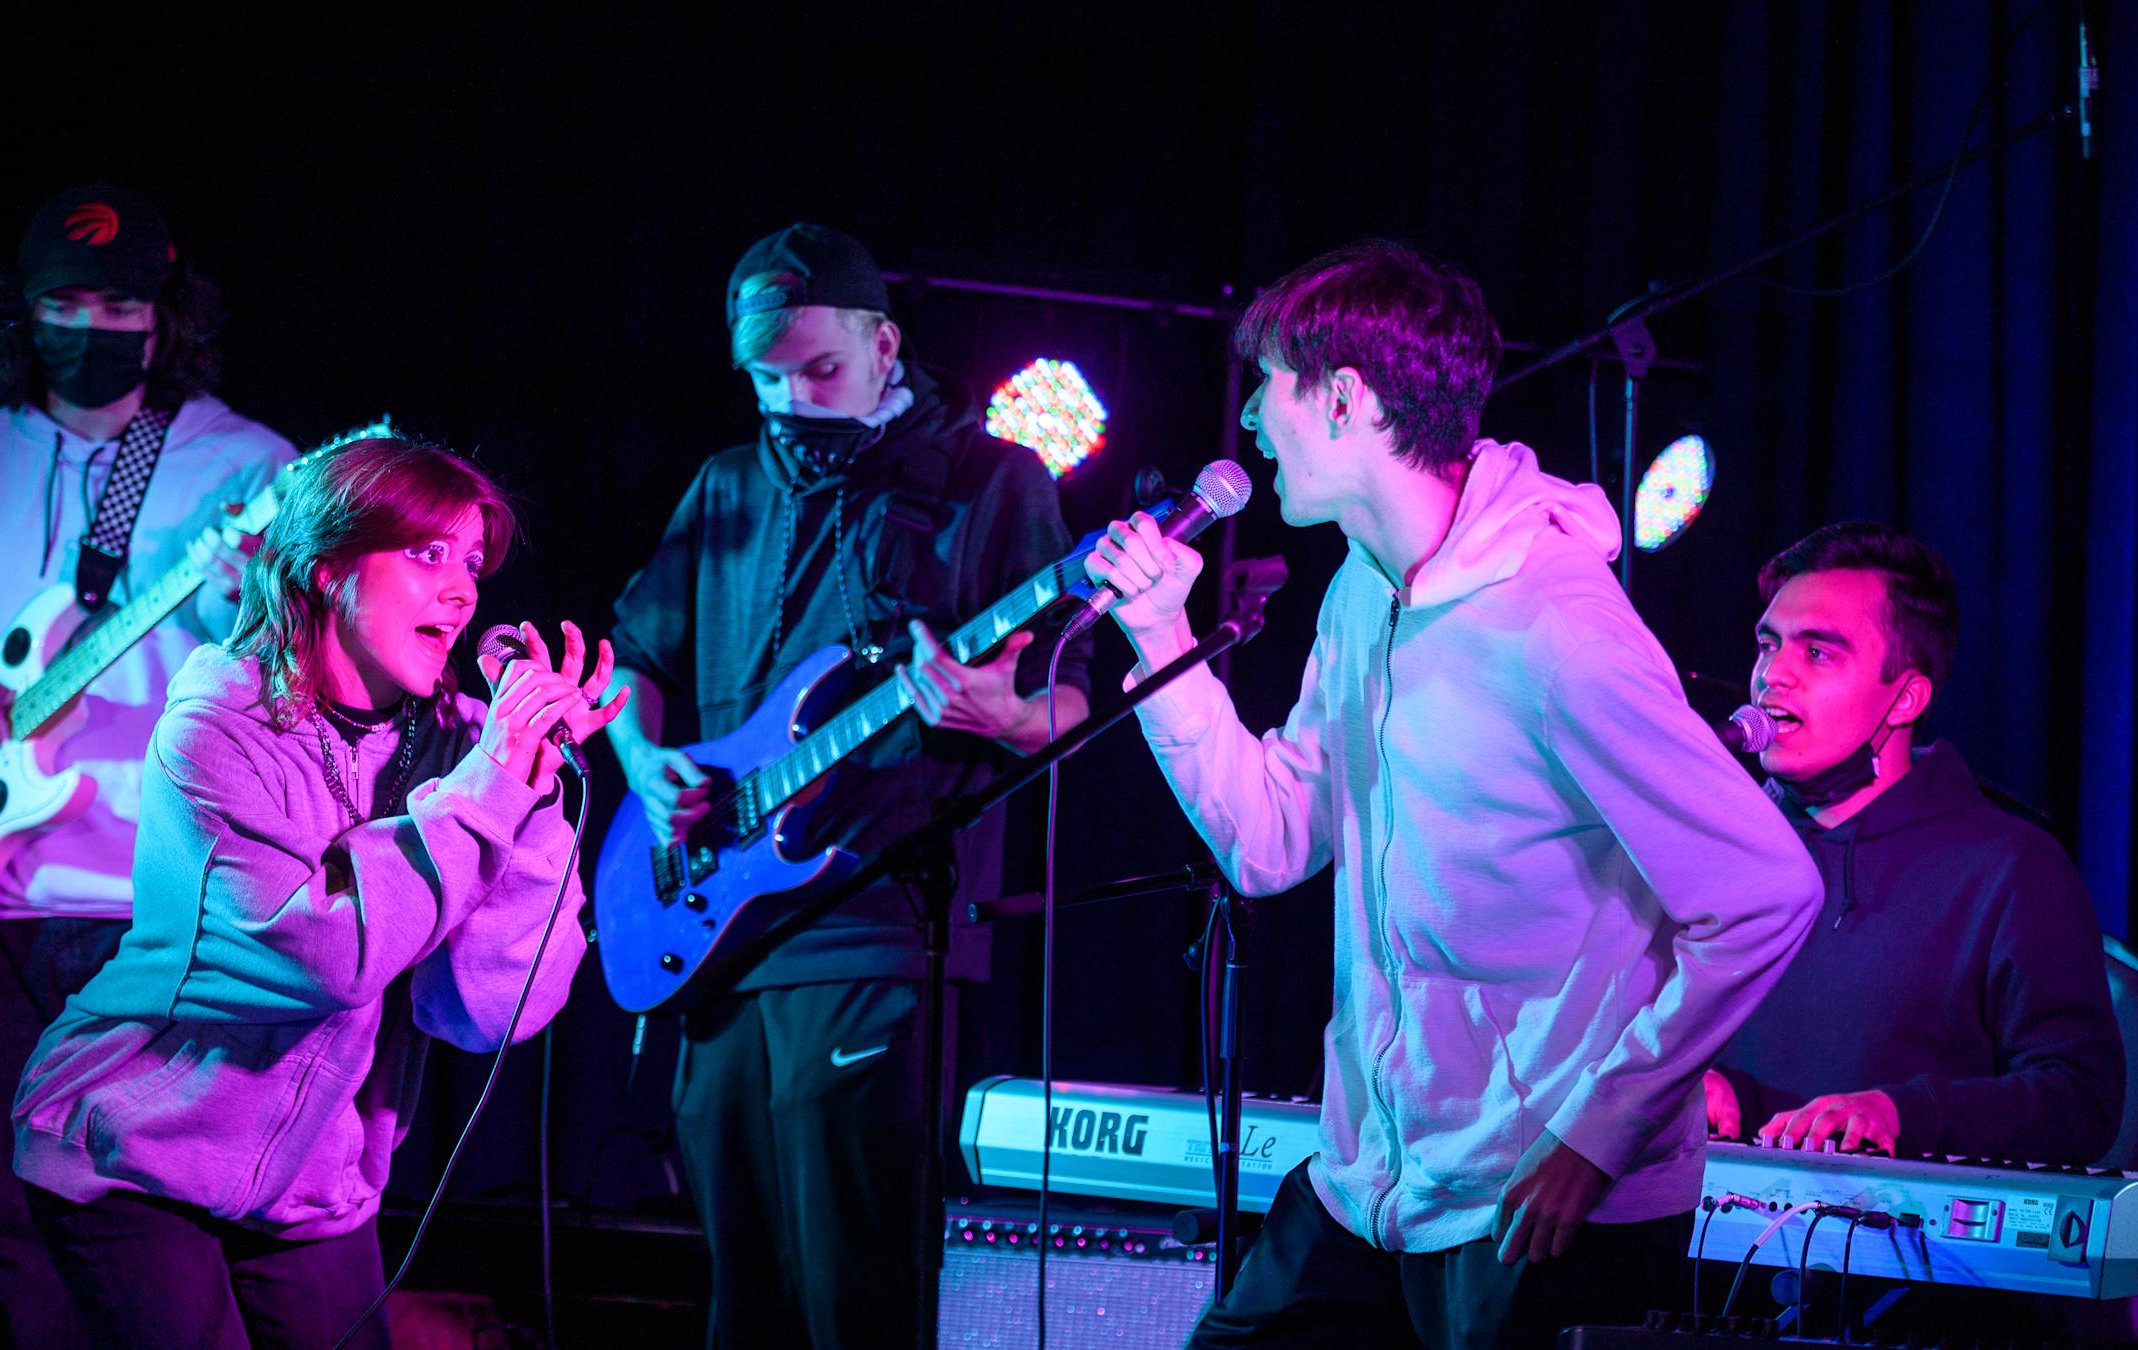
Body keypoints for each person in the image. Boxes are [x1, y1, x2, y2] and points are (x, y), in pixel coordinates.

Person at [1081, 239, 1823, 1349]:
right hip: (1373, 1185)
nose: (1246, 426)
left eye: (1267, 389)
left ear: (1342, 400)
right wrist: (1160, 641)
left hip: (1535, 1199)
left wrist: (1597, 1133)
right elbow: (1274, 840)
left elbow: (1765, 893)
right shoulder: (1361, 590)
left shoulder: (1554, 623)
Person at [0, 182, 294, 1346]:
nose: (92, 327)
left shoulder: (248, 467)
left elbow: (312, 682)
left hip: (160, 899)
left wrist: (254, 606)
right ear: (17, 311)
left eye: (121, 304)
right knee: (14, 1213)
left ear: (167, 313)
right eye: (63, 302)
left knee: (155, 1214)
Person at [10, 437, 615, 1349]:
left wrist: (526, 786)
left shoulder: (465, 749)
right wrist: (490, 776)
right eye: (426, 554)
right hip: (135, 1151)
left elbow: (485, 1011)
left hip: (311, 1184)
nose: (461, 590)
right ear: (330, 568)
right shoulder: (220, 721)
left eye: (471, 563)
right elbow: (326, 958)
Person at [603, 222, 1092, 1347]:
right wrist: (643, 758)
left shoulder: (991, 482)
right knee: (743, 1302)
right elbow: (636, 659)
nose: (794, 399)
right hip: (718, 931)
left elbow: (1074, 704)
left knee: (855, 1297)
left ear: (885, 345)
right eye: (766, 377)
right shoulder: (727, 484)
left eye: (820, 369)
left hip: (876, 921)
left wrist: (999, 712)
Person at [1709, 523, 2121, 1163]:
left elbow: (2080, 1101)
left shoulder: (2009, 868)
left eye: (1818, 653)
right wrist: (1667, 1084)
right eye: (1769, 645)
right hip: (1695, 1255)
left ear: (1904, 698)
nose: (1772, 676)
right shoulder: (1708, 847)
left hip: (1897, 1258)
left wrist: (1903, 1114)